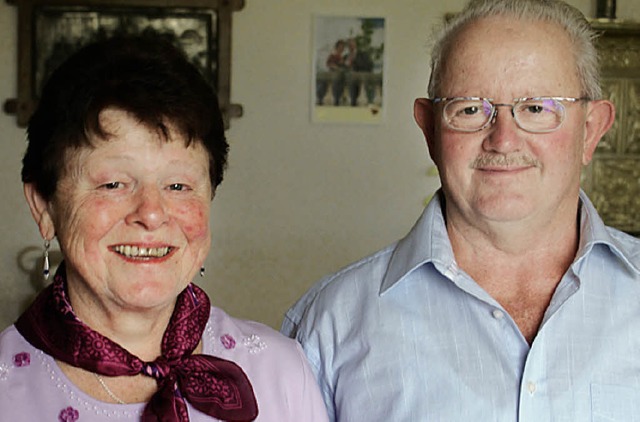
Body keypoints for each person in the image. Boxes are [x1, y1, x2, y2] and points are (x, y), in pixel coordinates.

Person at [282, 0, 640, 420]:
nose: (503, 140)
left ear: (592, 129)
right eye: (470, 109)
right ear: (430, 129)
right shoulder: (330, 322)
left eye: (537, 108)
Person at [0, 35, 329, 422]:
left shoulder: (281, 372)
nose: (152, 214)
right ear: (43, 205)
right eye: (113, 184)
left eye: (178, 186)